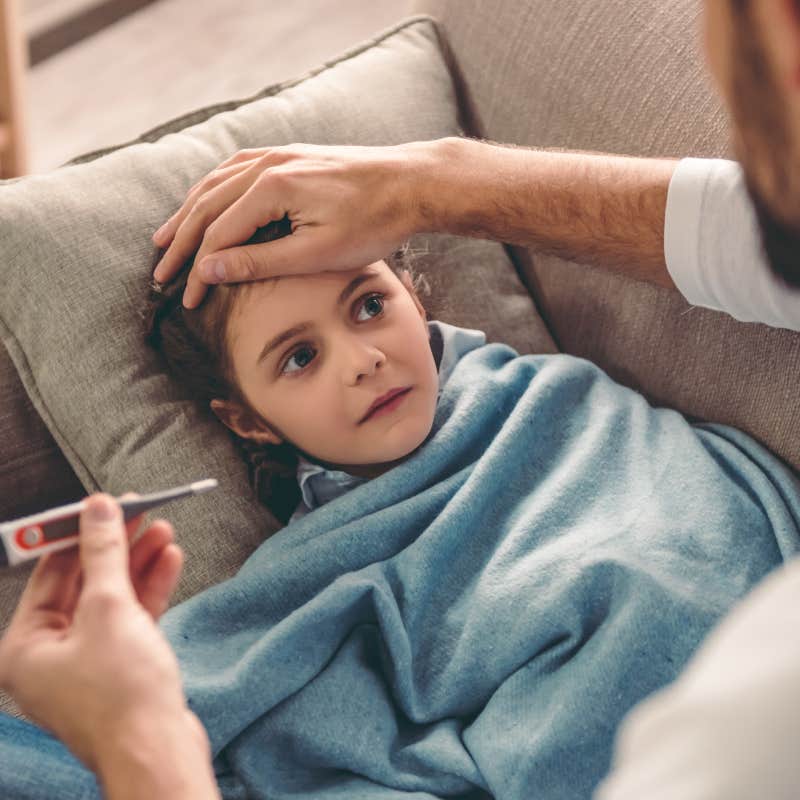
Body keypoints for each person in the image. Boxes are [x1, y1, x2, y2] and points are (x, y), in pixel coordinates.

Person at [1, 0, 798, 796]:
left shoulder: (540, 396)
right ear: (246, 419)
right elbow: (223, 672)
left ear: (421, 303)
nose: (362, 361)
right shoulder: (319, 565)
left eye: (370, 305)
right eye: (299, 357)